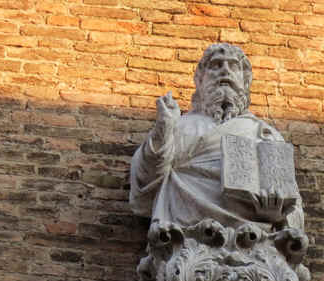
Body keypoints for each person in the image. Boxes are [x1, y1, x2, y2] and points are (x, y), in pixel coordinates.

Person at [129, 43, 304, 233]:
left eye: (233, 66)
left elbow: (293, 210)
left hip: (252, 235)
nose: (225, 71)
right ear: (200, 79)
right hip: (181, 228)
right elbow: (145, 183)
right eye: (216, 65)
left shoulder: (264, 133)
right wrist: (163, 128)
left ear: (245, 81)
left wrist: (278, 215)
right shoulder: (179, 125)